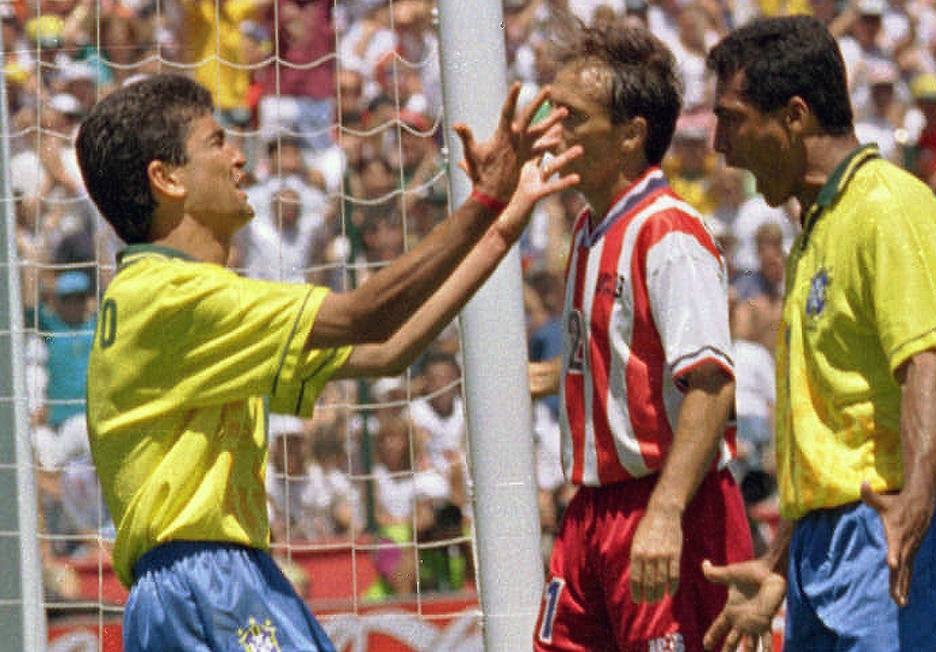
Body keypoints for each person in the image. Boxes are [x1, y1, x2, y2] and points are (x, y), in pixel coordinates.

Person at [76, 72, 581, 651]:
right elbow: (366, 314)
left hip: (222, 577)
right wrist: (484, 202)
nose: (241, 159)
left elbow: (390, 349)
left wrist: (501, 227)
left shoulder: (176, 298)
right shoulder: (167, 296)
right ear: (166, 179)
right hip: (201, 580)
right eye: (218, 143)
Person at [701, 16, 936, 651]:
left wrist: (914, 506)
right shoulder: (818, 229)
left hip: (894, 525)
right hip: (830, 537)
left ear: (795, 116)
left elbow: (929, 369)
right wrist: (781, 562)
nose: (720, 145)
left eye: (731, 118)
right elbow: (836, 440)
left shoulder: (888, 209)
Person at [527, 20, 753, 650]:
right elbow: (607, 366)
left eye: (571, 117)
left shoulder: (669, 234)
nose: (553, 131)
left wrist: (665, 513)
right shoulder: (588, 231)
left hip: (668, 507)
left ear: (631, 135)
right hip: (592, 516)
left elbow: (710, 384)